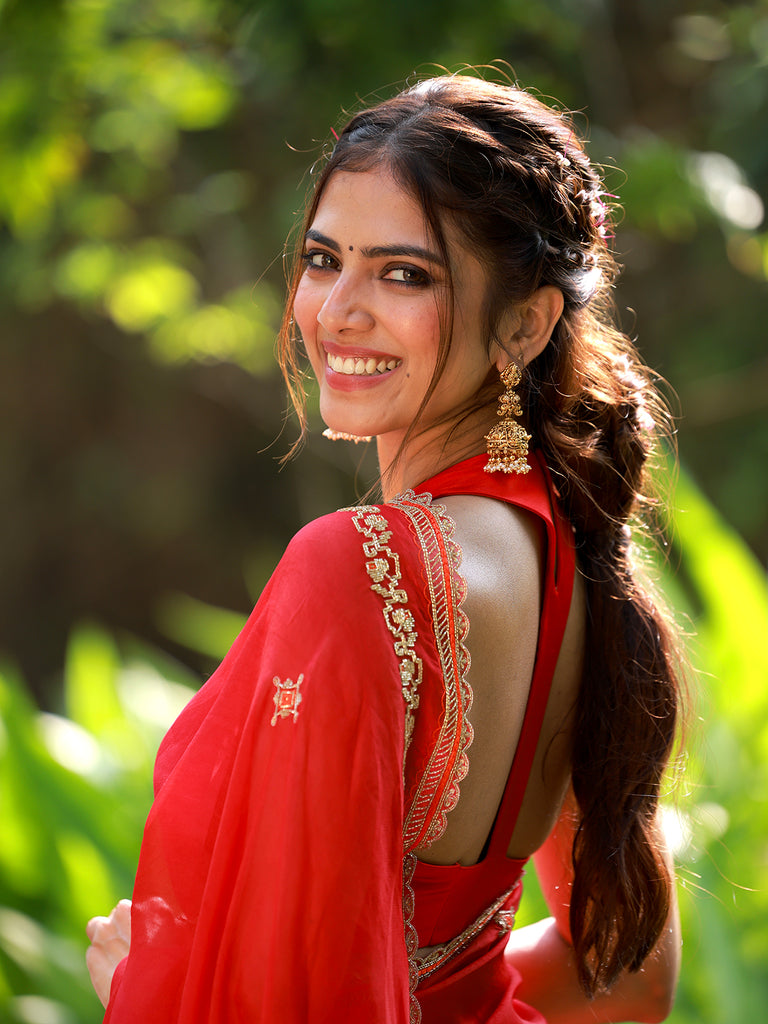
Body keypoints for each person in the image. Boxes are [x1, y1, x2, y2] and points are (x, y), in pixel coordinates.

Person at [85, 72, 684, 1023]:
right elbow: (627, 977)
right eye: (325, 260)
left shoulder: (355, 566)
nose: (338, 311)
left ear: (526, 323)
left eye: (406, 274)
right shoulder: (578, 559)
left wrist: (149, 988)